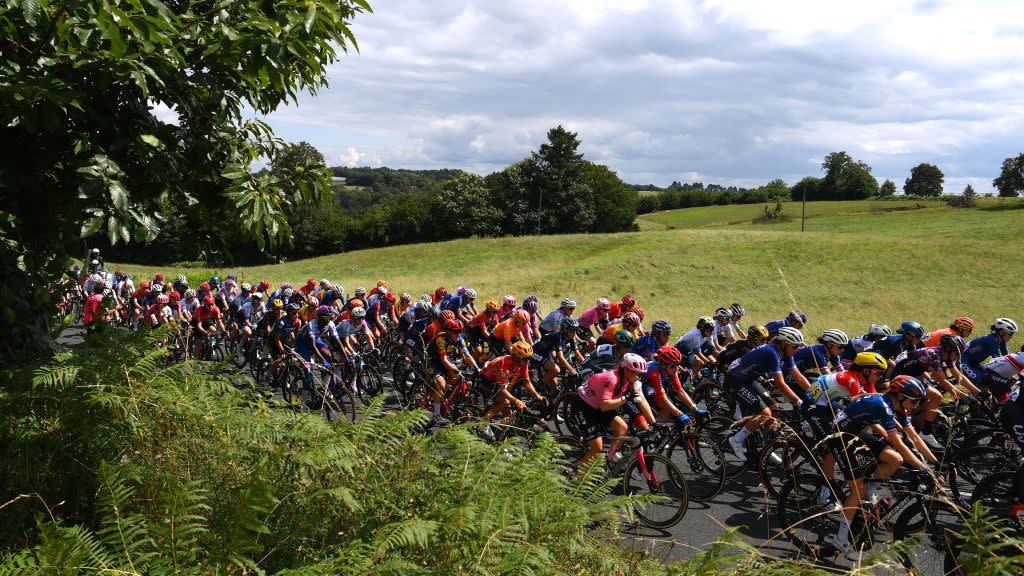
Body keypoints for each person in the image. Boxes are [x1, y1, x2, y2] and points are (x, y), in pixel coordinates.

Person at [828, 376, 939, 560]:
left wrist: (934, 463)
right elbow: (899, 443)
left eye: (919, 401)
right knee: (857, 489)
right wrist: (923, 468)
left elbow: (915, 438)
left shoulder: (899, 406)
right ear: (901, 396)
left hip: (856, 432)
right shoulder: (884, 406)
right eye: (915, 401)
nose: (917, 405)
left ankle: (868, 494)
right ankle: (840, 538)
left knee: (895, 459)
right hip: (841, 436)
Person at [725, 327, 810, 461]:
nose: (797, 350)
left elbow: (798, 376)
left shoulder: (786, 353)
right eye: (795, 346)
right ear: (784, 343)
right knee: (766, 413)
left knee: (775, 411)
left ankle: (766, 447)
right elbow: (781, 384)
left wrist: (814, 395)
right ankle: (736, 440)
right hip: (735, 379)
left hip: (749, 378)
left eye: (798, 346)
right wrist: (799, 402)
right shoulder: (771, 352)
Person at [894, 333, 976, 450]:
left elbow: (959, 377)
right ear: (948, 349)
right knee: (937, 397)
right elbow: (942, 380)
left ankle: (916, 427)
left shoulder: (945, 356)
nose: (958, 357)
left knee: (927, 404)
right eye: (957, 353)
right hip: (902, 378)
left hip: (914, 376)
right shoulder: (933, 355)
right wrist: (965, 396)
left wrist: (977, 392)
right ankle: (926, 433)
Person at [573, 353, 656, 465]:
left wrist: (654, 423)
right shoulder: (613, 379)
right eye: (637, 373)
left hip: (598, 405)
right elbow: (604, 405)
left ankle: (610, 461)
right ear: (627, 371)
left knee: (622, 427)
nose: (639, 377)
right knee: (597, 450)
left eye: (640, 375)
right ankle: (574, 472)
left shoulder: (630, 380)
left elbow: (642, 399)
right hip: (585, 405)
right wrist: (625, 397)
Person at [479, 341, 545, 440]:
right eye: (525, 359)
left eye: (528, 359)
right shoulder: (506, 363)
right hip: (486, 381)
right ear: (515, 357)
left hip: (498, 382)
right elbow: (501, 389)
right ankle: (484, 422)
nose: (527, 362)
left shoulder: (523, 363)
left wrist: (537, 395)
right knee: (505, 401)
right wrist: (516, 400)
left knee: (509, 416)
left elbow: (526, 381)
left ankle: (499, 439)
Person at [531, 316, 585, 393]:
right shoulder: (557, 335)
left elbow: (578, 354)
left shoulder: (571, 338)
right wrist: (572, 371)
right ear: (565, 329)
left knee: (554, 385)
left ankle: (549, 401)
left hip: (547, 352)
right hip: (537, 351)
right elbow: (560, 356)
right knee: (556, 370)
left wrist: (586, 366)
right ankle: (538, 388)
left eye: (576, 330)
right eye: (573, 330)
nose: (575, 333)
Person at [961, 318, 1018, 384]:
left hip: (974, 361)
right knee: (981, 381)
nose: (1012, 337)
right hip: (963, 359)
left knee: (988, 377)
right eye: (1010, 334)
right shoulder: (992, 340)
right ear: (1002, 332)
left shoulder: (1001, 340)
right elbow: (999, 361)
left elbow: (1007, 356)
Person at [674, 316, 718, 382]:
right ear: (703, 329)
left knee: (702, 363)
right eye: (710, 330)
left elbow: (709, 346)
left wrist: (716, 353)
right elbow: (698, 352)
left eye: (712, 330)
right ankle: (688, 381)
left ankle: (694, 377)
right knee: (700, 363)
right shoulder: (696, 334)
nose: (711, 332)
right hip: (680, 350)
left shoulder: (705, 334)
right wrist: (708, 362)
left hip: (689, 350)